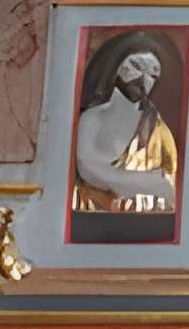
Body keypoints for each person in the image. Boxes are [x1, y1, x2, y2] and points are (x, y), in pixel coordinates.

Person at [72, 41, 179, 214]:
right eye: (136, 66)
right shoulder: (91, 119)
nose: (143, 78)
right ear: (118, 69)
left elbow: (168, 185)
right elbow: (88, 168)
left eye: (152, 74)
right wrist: (150, 182)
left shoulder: (157, 129)